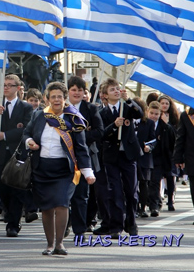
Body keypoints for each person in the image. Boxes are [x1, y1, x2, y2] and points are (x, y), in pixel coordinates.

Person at [24, 82, 95, 256]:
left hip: (64, 170)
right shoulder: (39, 116)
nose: (56, 100)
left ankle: (60, 243)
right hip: (42, 168)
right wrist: (29, 142)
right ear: (47, 99)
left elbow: (81, 147)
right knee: (47, 207)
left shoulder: (73, 118)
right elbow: (26, 133)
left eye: (60, 97)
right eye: (53, 96)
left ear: (65, 99)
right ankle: (49, 244)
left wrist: (87, 171)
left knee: (62, 203)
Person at [0, 74, 34, 237]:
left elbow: (26, 129)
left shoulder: (25, 107)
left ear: (18, 88)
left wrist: (6, 135)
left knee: (16, 188)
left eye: (10, 85)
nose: (6, 87)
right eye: (5, 85)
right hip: (0, 153)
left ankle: (13, 223)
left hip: (17, 153)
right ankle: (8, 212)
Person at [98, 78, 143, 237]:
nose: (116, 91)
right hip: (111, 157)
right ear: (104, 95)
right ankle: (115, 225)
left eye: (117, 89)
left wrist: (128, 100)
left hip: (128, 155)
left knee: (131, 191)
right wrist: (114, 126)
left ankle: (131, 223)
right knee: (114, 191)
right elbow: (102, 134)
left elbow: (140, 113)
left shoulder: (126, 107)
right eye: (112, 90)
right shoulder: (102, 113)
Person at [66, 76, 104, 239]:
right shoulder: (61, 107)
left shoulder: (91, 108)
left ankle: (80, 229)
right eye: (73, 89)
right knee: (64, 195)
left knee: (81, 195)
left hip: (84, 156)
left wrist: (80, 136)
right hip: (64, 157)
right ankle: (64, 224)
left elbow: (99, 131)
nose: (76, 93)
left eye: (80, 90)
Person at [147, 101, 176, 216]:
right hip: (146, 157)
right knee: (146, 183)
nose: (154, 116)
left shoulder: (166, 128)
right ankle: (150, 202)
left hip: (159, 158)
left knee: (155, 181)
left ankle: (154, 206)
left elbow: (172, 143)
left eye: (156, 114)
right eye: (152, 113)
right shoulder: (144, 125)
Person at [133, 97, 155, 219]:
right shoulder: (128, 121)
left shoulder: (149, 123)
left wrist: (149, 147)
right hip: (132, 157)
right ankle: (134, 208)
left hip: (145, 158)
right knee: (132, 184)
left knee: (144, 184)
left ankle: (142, 208)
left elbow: (153, 139)